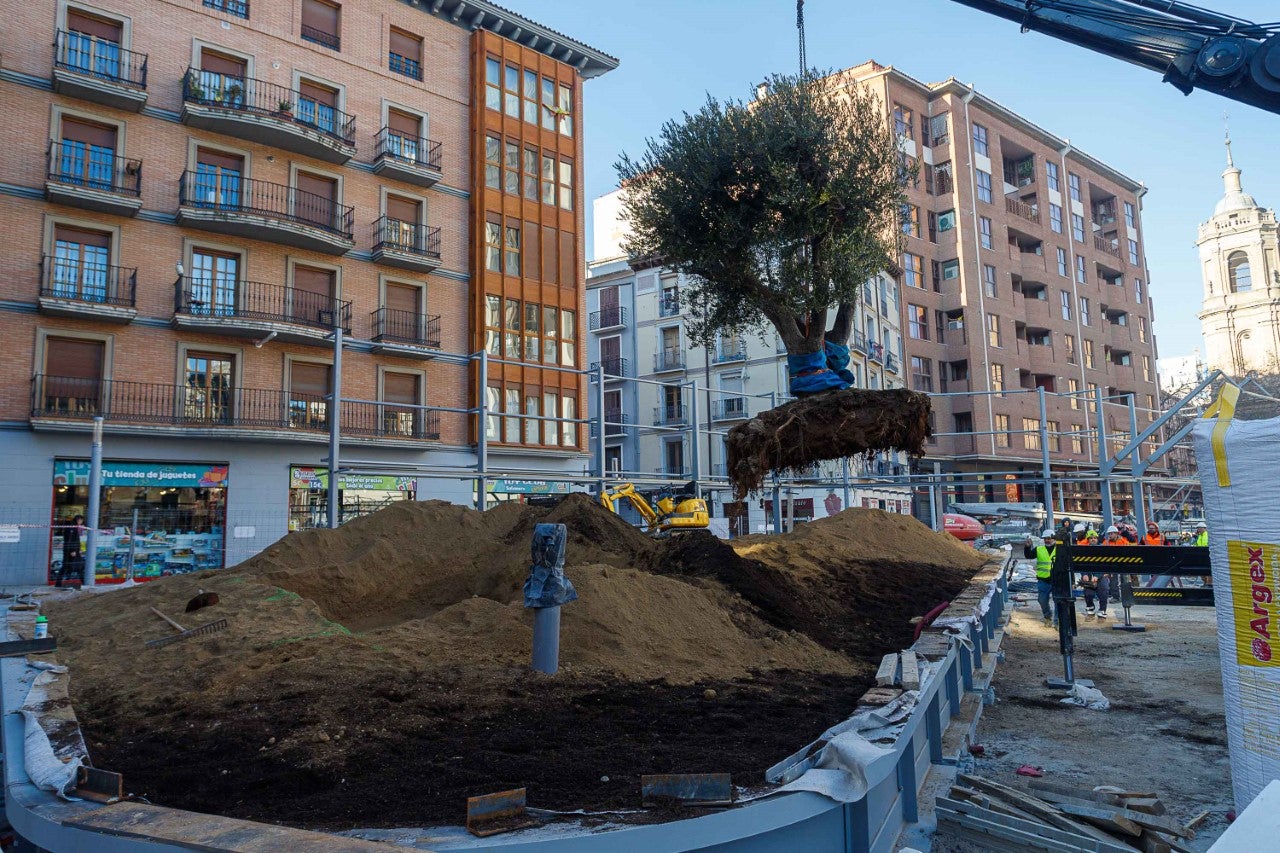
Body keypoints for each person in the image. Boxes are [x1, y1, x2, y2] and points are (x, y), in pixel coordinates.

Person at [1024, 528, 1060, 627]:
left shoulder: (1060, 549)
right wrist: (1027, 547)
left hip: (1057, 580)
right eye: (1045, 539)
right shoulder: (1039, 549)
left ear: (1054, 538)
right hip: (1043, 580)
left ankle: (1057, 622)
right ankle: (1047, 616)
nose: (1047, 540)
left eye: (1049, 538)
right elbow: (1029, 556)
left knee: (1058, 601)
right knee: (1042, 600)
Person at [57, 514, 84, 588]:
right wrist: (73, 550)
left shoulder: (73, 527)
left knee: (75, 566)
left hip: (73, 550)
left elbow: (74, 540)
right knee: (68, 566)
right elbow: (71, 540)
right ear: (79, 520)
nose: (81, 522)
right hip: (70, 551)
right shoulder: (72, 527)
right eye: (81, 520)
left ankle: (81, 581)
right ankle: (61, 582)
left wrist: (78, 550)